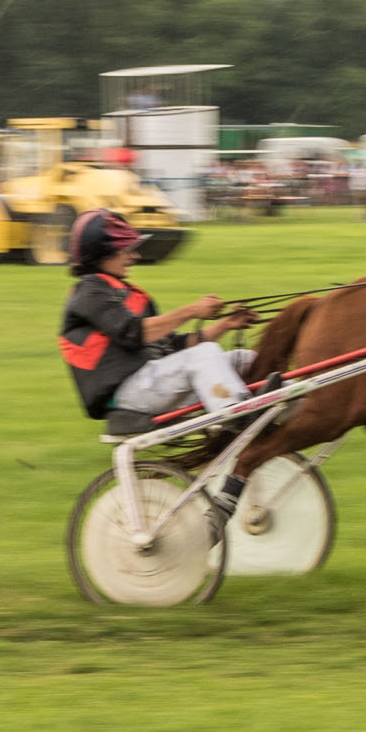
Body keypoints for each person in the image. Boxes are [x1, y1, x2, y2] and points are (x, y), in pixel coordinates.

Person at [57, 209, 261, 521]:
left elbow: (171, 346)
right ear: (100, 253)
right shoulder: (89, 291)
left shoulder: (131, 295)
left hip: (150, 382)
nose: (134, 256)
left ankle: (290, 400)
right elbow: (134, 333)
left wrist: (225, 325)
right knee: (206, 355)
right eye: (126, 250)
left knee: (241, 359)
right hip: (127, 394)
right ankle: (236, 416)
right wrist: (192, 310)